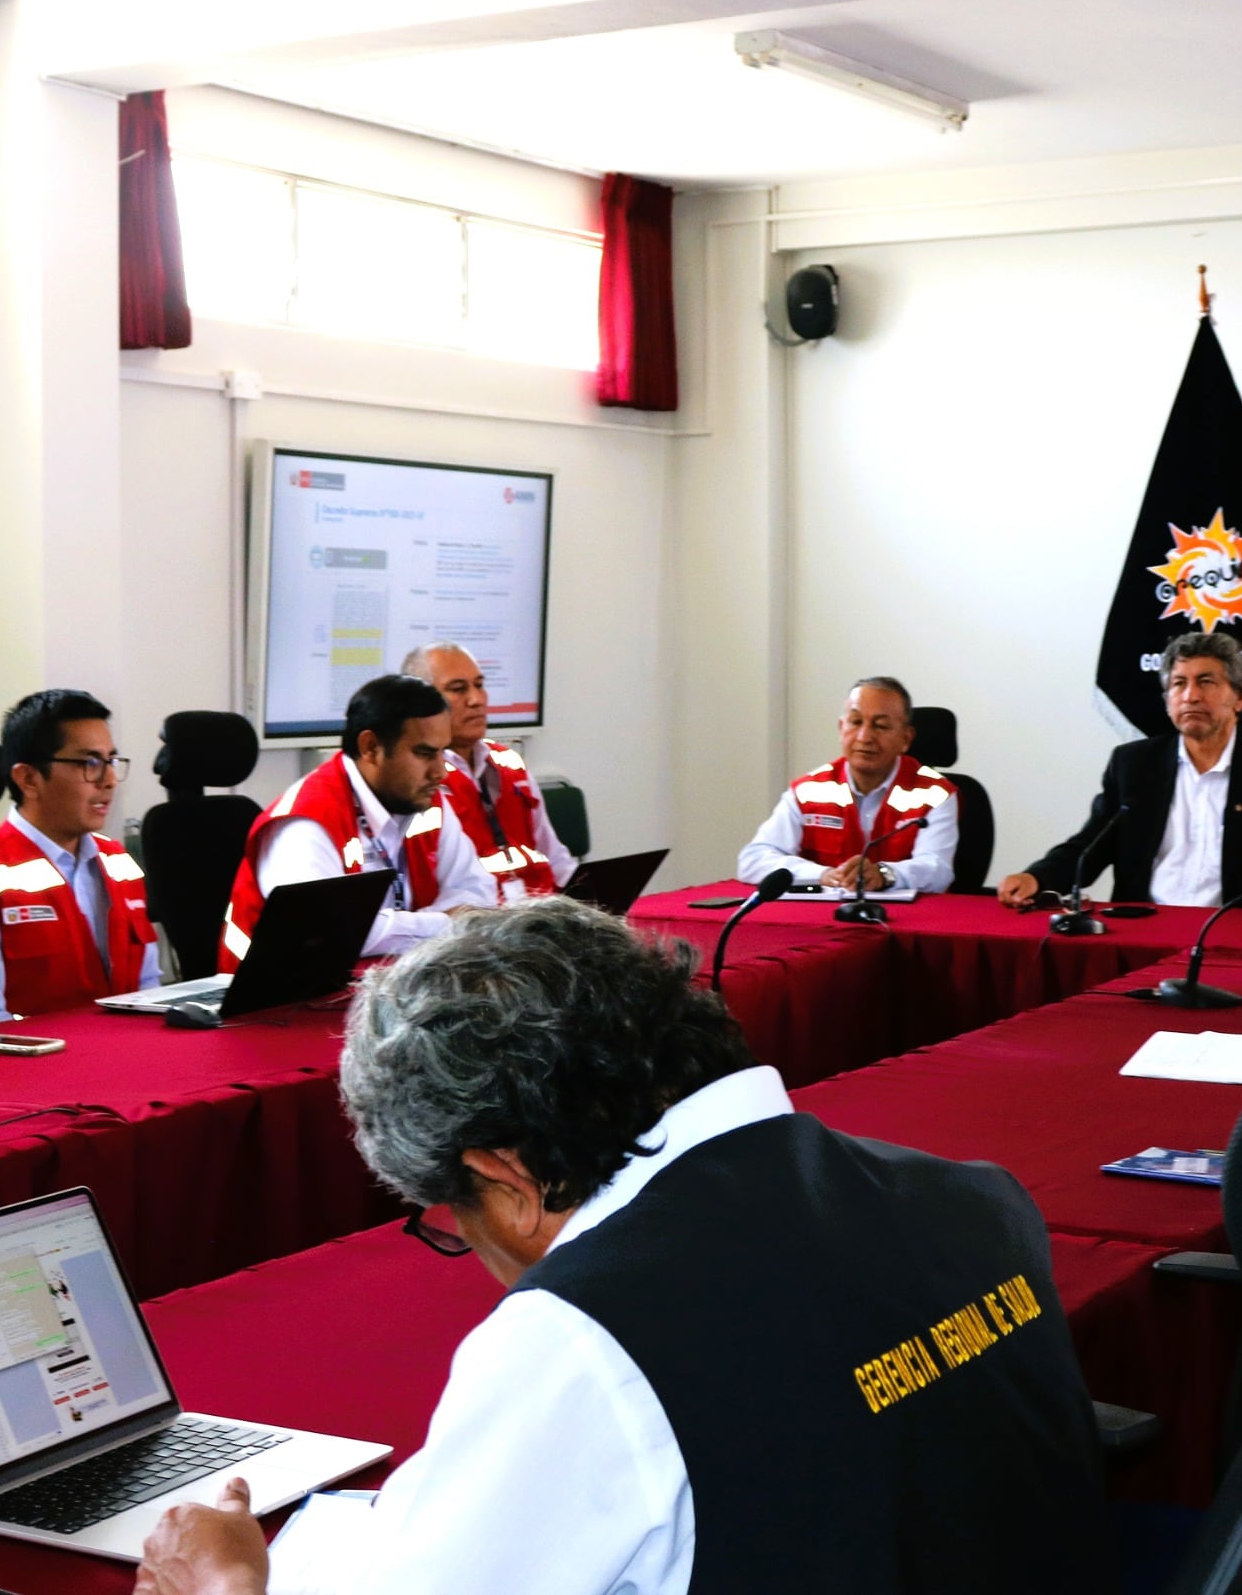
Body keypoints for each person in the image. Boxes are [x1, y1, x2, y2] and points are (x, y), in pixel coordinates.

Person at [136, 899, 1115, 1595]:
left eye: (450, 1217)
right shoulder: (971, 1195)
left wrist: (227, 1580)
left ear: (507, 1178)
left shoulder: (590, 1339)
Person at [997, 630, 1242, 911]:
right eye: (1178, 684)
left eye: (1206, 682)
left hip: (1240, 934)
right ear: (1166, 700)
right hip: (1147, 928)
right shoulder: (1133, 765)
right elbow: (1090, 846)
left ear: (1240, 697)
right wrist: (1036, 878)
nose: (1190, 696)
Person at [0, 689, 159, 1029]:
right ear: (28, 779)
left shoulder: (117, 862)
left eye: (111, 762)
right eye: (89, 763)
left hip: (120, 1063)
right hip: (16, 1072)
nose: (109, 781)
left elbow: (147, 993)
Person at [221, 676, 498, 966]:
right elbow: (328, 932)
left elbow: (479, 893)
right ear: (370, 748)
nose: (440, 771)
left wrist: (410, 927)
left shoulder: (427, 800)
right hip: (273, 1001)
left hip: (384, 987)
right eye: (424, 753)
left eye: (444, 752)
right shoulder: (304, 824)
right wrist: (441, 923)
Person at [739, 677, 960, 894]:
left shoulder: (935, 793)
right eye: (855, 722)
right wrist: (823, 874)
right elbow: (753, 859)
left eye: (880, 726)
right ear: (841, 728)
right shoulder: (809, 790)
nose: (864, 737)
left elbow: (937, 868)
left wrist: (884, 874)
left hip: (907, 921)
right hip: (821, 921)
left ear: (906, 738)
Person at [403, 642, 577, 903]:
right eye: (458, 689)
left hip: (542, 921)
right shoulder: (414, 778)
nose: (476, 700)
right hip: (472, 932)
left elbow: (556, 860)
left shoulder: (510, 764)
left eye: (479, 685)